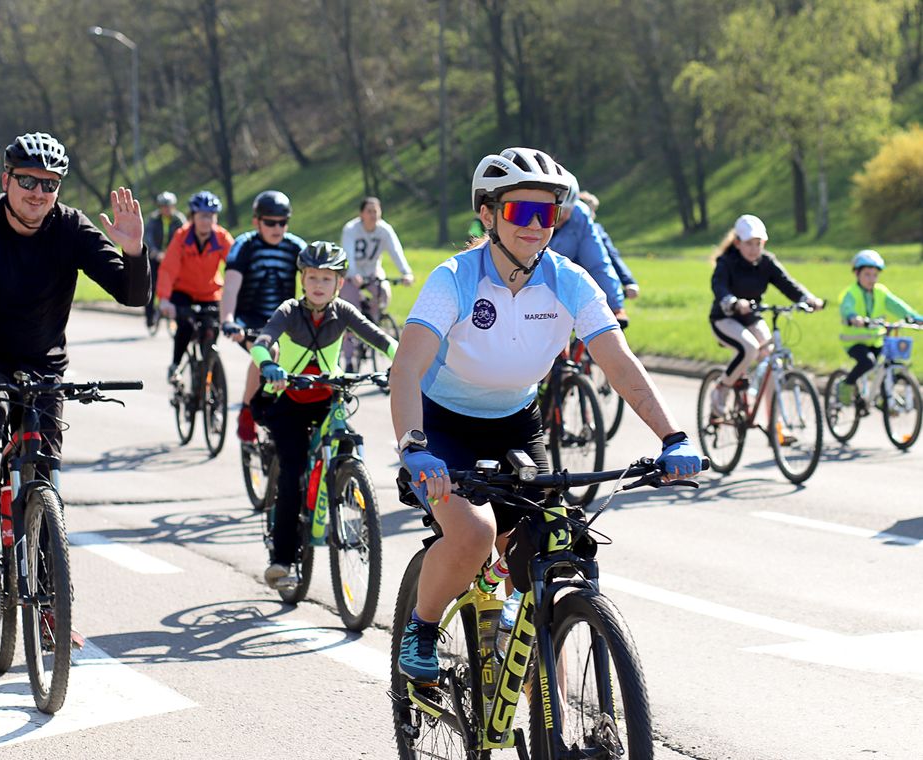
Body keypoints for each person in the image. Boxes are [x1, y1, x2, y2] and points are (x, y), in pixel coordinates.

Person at [389, 147, 702, 685]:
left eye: (548, 213)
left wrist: (672, 436)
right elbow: (407, 366)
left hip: (517, 420)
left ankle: (544, 713)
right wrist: (414, 447)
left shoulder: (569, 281)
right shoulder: (455, 278)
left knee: (551, 543)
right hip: (443, 424)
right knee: (473, 534)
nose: (536, 226)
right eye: (519, 212)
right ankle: (421, 626)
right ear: (488, 215)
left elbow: (620, 363)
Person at [0, 132, 149, 561]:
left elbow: (133, 295)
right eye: (28, 181)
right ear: (5, 179)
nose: (38, 193)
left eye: (50, 184)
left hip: (43, 362)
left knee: (46, 477)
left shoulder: (71, 227)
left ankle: (50, 613)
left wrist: (135, 251)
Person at [248, 241, 397, 587]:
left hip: (327, 397)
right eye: (312, 277)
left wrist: (403, 357)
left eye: (327, 279)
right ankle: (282, 560)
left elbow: (379, 337)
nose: (319, 284)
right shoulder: (288, 311)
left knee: (346, 443)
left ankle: (346, 487)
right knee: (292, 471)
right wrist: (268, 364)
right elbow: (261, 342)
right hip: (288, 401)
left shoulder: (342, 311)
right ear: (302, 279)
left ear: (339, 284)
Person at [707, 214, 824, 418]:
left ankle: (774, 424)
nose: (754, 249)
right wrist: (733, 302)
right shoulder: (726, 262)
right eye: (749, 244)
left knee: (772, 359)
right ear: (737, 243)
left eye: (758, 244)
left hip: (752, 316)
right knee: (750, 348)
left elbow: (787, 284)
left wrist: (808, 299)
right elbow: (719, 287)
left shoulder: (767, 262)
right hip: (724, 318)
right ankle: (721, 389)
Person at [220, 190, 307, 443]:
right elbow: (231, 286)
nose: (277, 227)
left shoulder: (296, 246)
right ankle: (247, 411)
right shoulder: (244, 245)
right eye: (270, 222)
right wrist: (228, 319)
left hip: (283, 319)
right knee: (271, 353)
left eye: (283, 222)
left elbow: (312, 285)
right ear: (256, 221)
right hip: (249, 320)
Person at [155, 191, 234, 380]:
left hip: (210, 293)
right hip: (183, 292)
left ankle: (209, 370)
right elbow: (168, 269)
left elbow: (237, 267)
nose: (206, 221)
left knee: (211, 328)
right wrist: (165, 300)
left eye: (210, 216)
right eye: (202, 216)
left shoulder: (222, 238)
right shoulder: (182, 237)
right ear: (193, 217)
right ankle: (175, 366)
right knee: (186, 326)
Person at [836, 249, 922, 404]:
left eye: (875, 275)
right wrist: (853, 318)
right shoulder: (851, 293)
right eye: (867, 275)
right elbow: (847, 308)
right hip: (854, 342)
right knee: (867, 362)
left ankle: (884, 397)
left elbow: (898, 306)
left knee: (887, 365)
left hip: (876, 340)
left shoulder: (880, 292)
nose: (872, 279)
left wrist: (915, 318)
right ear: (857, 274)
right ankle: (846, 384)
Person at [338, 197, 414, 367]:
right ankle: (350, 358)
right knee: (351, 310)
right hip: (352, 274)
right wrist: (353, 274)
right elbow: (347, 254)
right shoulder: (351, 229)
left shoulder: (384, 230)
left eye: (376, 211)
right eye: (369, 211)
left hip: (373, 271)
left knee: (383, 292)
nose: (373, 215)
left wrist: (406, 272)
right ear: (361, 214)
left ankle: (373, 322)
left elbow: (396, 251)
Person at [547, 175, 626, 324]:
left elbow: (597, 261)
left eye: (567, 210)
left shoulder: (579, 216)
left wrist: (616, 307)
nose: (563, 215)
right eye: (557, 210)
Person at [578, 190, 640, 302]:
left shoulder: (596, 230)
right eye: (591, 210)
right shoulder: (557, 231)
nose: (594, 215)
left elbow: (611, 255)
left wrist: (628, 282)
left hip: (595, 284)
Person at [144, 191, 187, 330]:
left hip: (173, 258)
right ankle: (149, 316)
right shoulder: (154, 219)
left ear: (174, 206)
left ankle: (175, 315)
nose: (166, 209)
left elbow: (185, 237)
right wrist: (154, 252)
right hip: (156, 257)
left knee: (177, 286)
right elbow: (148, 236)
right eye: (163, 206)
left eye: (169, 206)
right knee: (151, 285)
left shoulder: (179, 220)